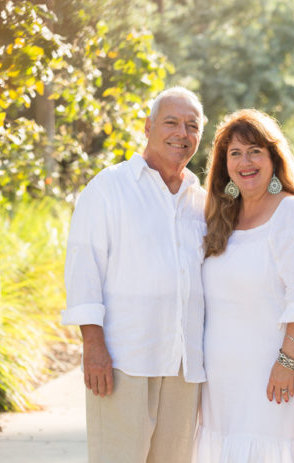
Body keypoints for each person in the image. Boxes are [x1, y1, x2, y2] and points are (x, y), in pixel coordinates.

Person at [62, 87, 207, 463]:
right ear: (147, 126)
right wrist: (93, 347)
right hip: (124, 361)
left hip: (183, 366)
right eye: (171, 122)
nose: (182, 133)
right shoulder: (109, 187)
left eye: (192, 126)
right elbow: (83, 270)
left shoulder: (201, 201)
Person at [193, 109, 294, 462]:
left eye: (255, 151)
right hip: (223, 382)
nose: (245, 162)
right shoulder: (221, 216)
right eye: (235, 154)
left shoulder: (291, 214)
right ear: (225, 165)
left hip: (274, 375)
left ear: (273, 157)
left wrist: (287, 361)